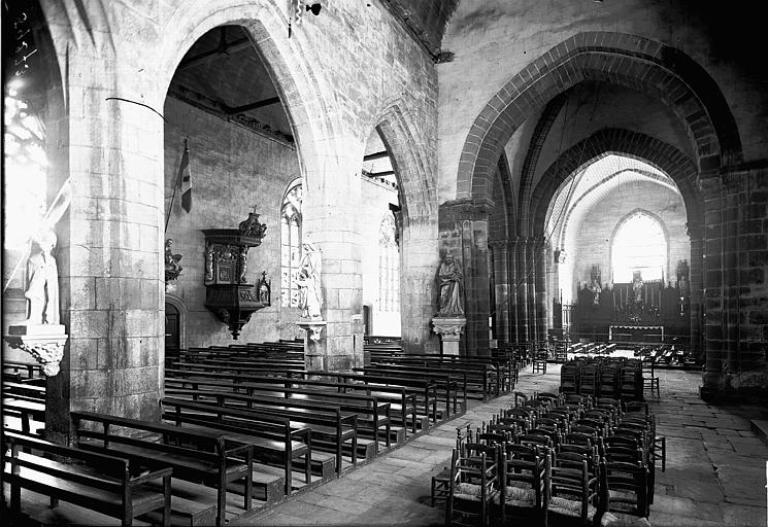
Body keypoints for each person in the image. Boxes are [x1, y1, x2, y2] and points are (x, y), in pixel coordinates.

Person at [25, 229, 59, 325]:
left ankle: (48, 318)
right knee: (36, 294)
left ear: (52, 245)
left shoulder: (52, 261)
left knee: (48, 296)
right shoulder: (34, 259)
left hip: (46, 289)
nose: (44, 244)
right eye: (43, 241)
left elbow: (52, 287)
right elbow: (31, 278)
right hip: (37, 290)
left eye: (47, 242)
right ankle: (34, 317)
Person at [297, 242, 322, 319]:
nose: (305, 247)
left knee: (311, 299)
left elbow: (314, 269)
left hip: (310, 282)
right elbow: (301, 267)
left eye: (306, 245)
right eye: (303, 245)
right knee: (304, 298)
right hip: (305, 281)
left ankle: (313, 313)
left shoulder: (313, 255)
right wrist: (301, 274)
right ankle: (305, 313)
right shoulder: (305, 256)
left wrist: (309, 273)